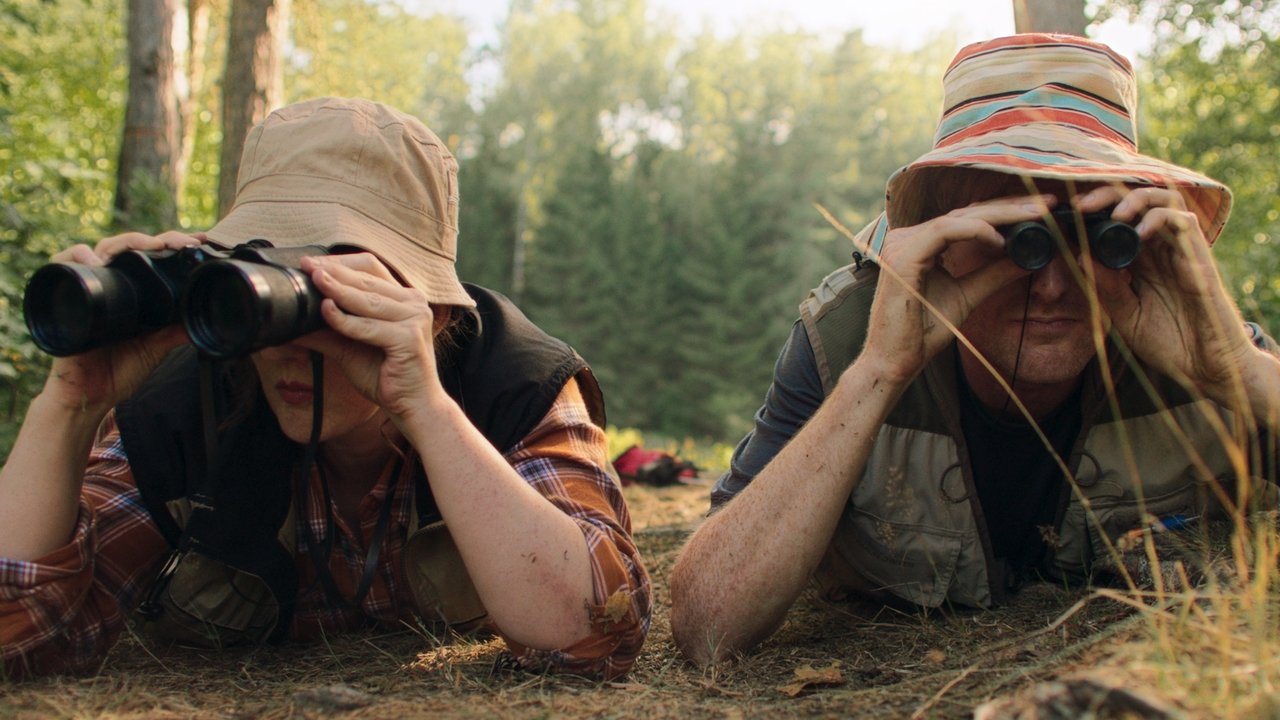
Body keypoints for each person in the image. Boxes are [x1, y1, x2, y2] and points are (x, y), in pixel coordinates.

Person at [668, 33, 1280, 664]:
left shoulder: (1193, 327)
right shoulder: (850, 335)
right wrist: (878, 374)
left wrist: (1242, 374)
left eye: (1091, 237)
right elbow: (706, 624)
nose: (1051, 285)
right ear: (943, 237)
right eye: (1012, 237)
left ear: (1135, 239)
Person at [0, 97, 650, 679]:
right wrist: (70, 404)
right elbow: (19, 631)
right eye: (267, 292)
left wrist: (425, 408)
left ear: (434, 311)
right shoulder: (178, 407)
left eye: (323, 297)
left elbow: (597, 631)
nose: (284, 344)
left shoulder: (513, 383)